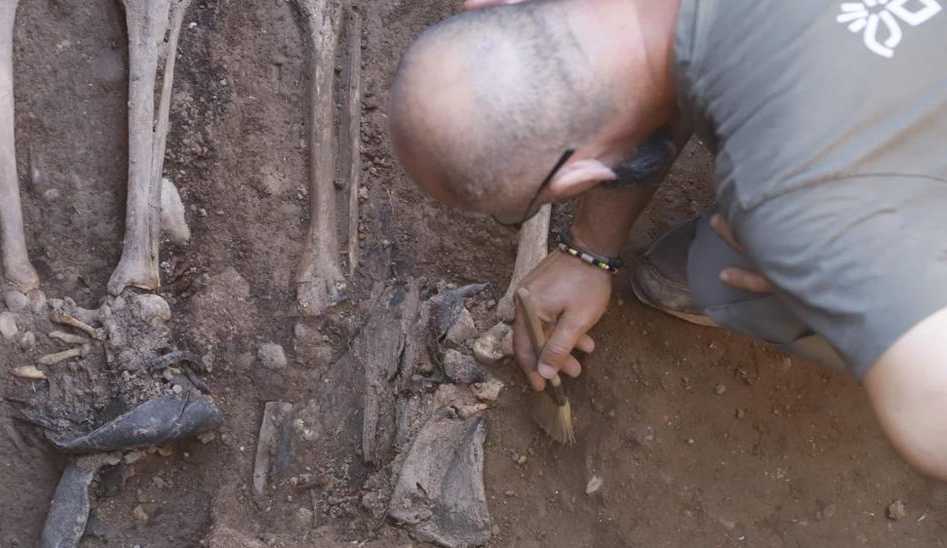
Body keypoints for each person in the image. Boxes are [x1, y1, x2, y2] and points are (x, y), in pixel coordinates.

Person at [388, 0, 947, 479]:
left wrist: (827, 275)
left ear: (575, 182)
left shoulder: (794, 200)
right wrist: (591, 249)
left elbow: (933, 420)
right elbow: (668, 62)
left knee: (717, 272)